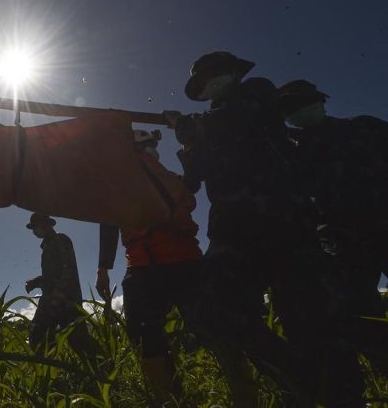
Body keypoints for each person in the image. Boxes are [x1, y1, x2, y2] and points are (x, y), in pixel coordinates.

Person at [173, 52, 363, 407]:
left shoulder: (258, 93)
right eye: (206, 79)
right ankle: (300, 379)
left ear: (233, 73)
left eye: (218, 74)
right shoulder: (207, 123)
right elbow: (194, 179)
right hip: (233, 234)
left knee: (313, 321)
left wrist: (200, 128)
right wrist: (190, 143)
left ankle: (338, 395)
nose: (213, 82)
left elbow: (243, 118)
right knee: (213, 310)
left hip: (287, 227)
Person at [279, 79, 388, 370]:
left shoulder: (365, 126)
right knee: (360, 311)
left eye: (305, 101)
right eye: (291, 106)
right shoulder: (292, 148)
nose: (301, 109)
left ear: (320, 100)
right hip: (345, 241)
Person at [96, 129, 203, 405]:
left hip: (154, 268)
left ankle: (168, 398)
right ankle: (175, 396)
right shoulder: (170, 180)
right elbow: (190, 193)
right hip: (181, 265)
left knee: (146, 338)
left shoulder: (122, 183)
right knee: (211, 330)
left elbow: (108, 223)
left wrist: (103, 269)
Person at [24, 213, 90, 352]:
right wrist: (36, 282)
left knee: (79, 341)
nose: (34, 231)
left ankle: (104, 369)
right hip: (51, 300)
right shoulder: (47, 246)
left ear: (45, 225)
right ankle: (46, 370)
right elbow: (52, 276)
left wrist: (58, 294)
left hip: (66, 301)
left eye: (35, 227)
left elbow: (68, 270)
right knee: (39, 336)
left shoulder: (61, 240)